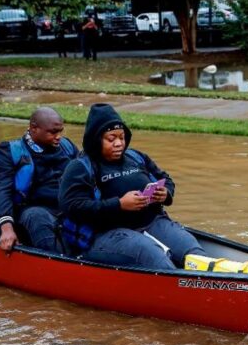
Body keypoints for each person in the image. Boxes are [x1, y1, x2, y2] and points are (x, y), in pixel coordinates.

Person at [58, 103, 204, 268]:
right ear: (95, 140)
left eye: (122, 137)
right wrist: (119, 205)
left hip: (152, 222)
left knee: (192, 250)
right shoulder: (80, 167)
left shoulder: (136, 157)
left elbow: (164, 177)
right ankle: (180, 287)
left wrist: (166, 193)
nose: (119, 143)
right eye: (111, 139)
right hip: (106, 234)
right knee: (154, 257)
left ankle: (214, 282)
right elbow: (70, 206)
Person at [0, 107, 77, 254]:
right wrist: (7, 228)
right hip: (31, 209)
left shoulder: (67, 146)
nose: (58, 136)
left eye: (60, 131)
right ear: (34, 128)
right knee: (37, 216)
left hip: (65, 205)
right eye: (53, 132)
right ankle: (59, 262)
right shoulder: (10, 151)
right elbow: (0, 189)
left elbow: (85, 173)